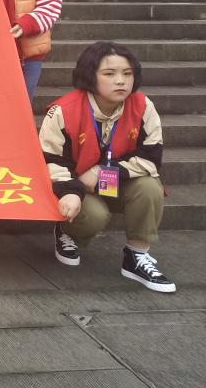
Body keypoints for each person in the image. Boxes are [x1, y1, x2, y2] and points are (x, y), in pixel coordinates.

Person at [41, 42, 174, 292]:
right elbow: (51, 160)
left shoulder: (143, 106)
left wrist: (104, 172)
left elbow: (151, 157)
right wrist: (71, 191)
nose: (121, 81)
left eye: (127, 73)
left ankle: (136, 256)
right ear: (90, 76)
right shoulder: (62, 111)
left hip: (116, 181)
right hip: (76, 185)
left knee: (149, 187)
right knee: (95, 216)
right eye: (109, 73)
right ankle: (67, 231)